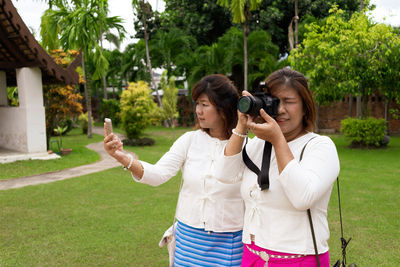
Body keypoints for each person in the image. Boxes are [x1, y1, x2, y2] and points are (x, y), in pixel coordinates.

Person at [104, 74, 244, 266]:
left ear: (223, 108)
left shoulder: (247, 147)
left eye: (205, 104)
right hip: (189, 240)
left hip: (229, 243)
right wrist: (123, 158)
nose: (198, 111)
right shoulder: (190, 140)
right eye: (197, 104)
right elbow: (158, 174)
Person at [216, 68, 340, 267]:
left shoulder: (320, 146)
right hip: (252, 257)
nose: (280, 109)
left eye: (288, 101)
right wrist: (241, 126)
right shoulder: (257, 145)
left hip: (299, 260)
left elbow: (303, 198)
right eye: (273, 101)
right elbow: (223, 174)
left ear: (305, 106)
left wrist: (277, 140)